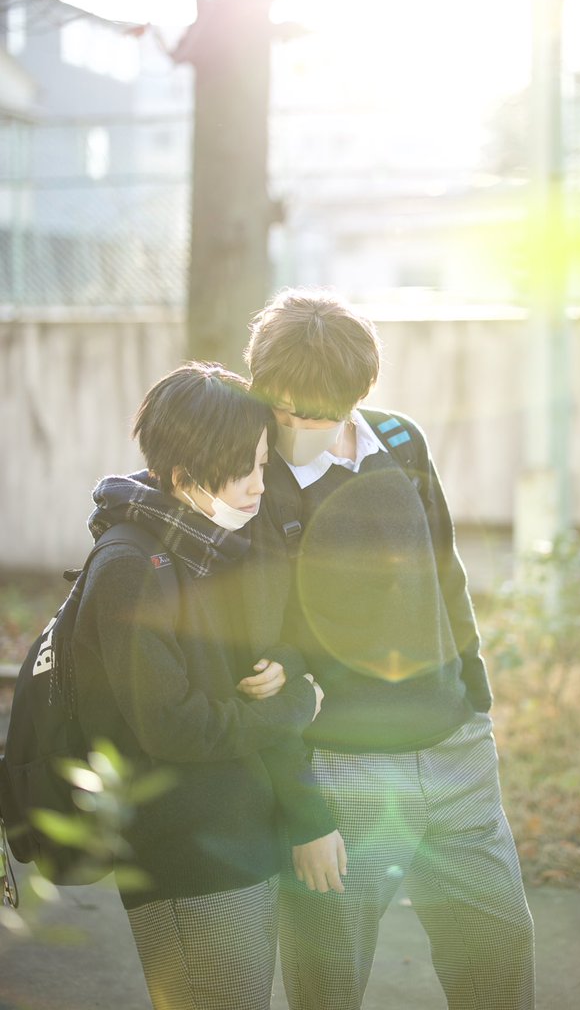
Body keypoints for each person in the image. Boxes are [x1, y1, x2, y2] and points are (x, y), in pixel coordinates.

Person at [243, 289, 535, 1010]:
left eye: (315, 413)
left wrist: (475, 696)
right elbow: (252, 644)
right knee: (329, 981)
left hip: (454, 749)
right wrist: (303, 809)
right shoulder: (253, 478)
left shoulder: (400, 441)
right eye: (281, 409)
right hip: (340, 767)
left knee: (497, 952)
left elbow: (445, 569)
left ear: (358, 394)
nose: (294, 425)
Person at [70, 361, 338, 1010]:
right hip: (186, 854)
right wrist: (296, 705)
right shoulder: (132, 565)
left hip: (240, 834)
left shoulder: (210, 543)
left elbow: (243, 666)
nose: (259, 485)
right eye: (242, 469)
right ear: (182, 474)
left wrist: (282, 667)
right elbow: (175, 726)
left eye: (262, 464)